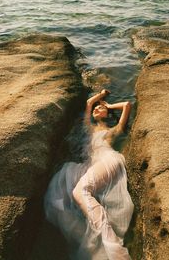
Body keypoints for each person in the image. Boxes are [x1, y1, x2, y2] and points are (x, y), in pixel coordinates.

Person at [44, 89, 134, 260]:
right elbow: (88, 104)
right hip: (90, 166)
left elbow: (127, 105)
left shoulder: (113, 130)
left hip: (108, 160)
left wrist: (108, 104)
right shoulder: (90, 128)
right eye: (96, 109)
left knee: (80, 191)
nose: (96, 109)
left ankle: (114, 248)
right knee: (56, 193)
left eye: (101, 109)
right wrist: (100, 96)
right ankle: (91, 243)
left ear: (107, 113)